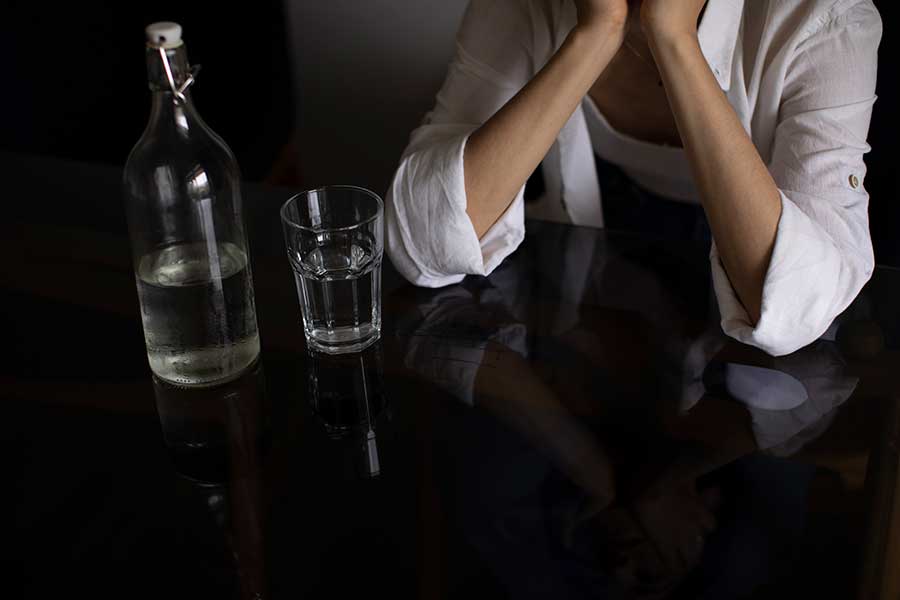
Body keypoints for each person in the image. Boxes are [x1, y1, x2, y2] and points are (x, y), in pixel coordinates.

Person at [384, 0, 882, 356]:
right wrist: (596, 34)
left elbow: (796, 307)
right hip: (597, 256)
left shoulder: (827, 17)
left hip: (753, 312)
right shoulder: (522, 8)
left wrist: (674, 39)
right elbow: (422, 243)